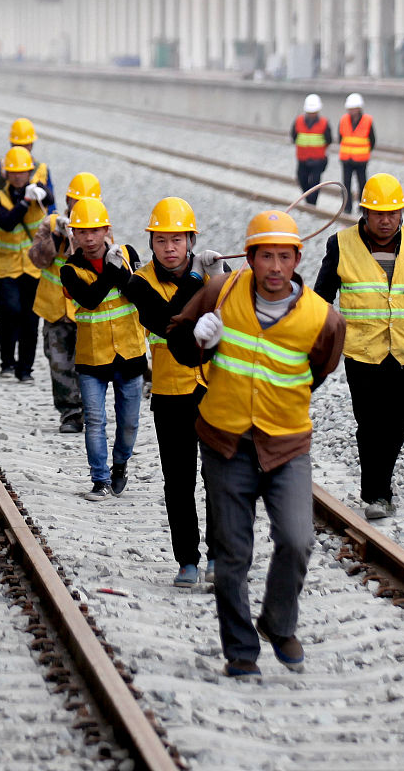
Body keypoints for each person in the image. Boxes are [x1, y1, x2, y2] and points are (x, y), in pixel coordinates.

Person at [166, 210, 344, 678]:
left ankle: (278, 622)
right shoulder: (220, 292)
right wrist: (199, 341)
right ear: (250, 258)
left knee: (297, 539)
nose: (275, 267)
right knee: (231, 555)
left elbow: (319, 371)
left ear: (297, 259)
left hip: (286, 447)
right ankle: (241, 651)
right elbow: (178, 341)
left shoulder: (323, 319)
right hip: (225, 442)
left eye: (284, 257)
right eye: (266, 256)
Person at [313, 173, 404, 522]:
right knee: (370, 422)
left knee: (399, 421)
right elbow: (320, 299)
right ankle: (378, 493)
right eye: (379, 214)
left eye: (392, 213)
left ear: (401, 212)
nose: (386, 220)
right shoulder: (341, 244)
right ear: (364, 213)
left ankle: (379, 487)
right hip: (362, 351)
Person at [123, 197, 226, 588]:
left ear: (191, 240)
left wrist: (223, 277)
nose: (170, 248)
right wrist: (201, 280)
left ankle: (219, 556)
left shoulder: (213, 271)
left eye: (178, 240)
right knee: (178, 479)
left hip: (214, 387)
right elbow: (169, 322)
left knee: (218, 475)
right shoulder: (138, 283)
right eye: (162, 240)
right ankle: (187, 560)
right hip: (170, 393)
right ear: (151, 243)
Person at [60, 198, 147, 502]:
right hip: (92, 357)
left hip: (130, 353)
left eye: (95, 230)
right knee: (95, 421)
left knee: (129, 423)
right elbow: (89, 299)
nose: (89, 237)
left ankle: (120, 465)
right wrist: (111, 274)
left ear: (107, 229)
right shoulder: (69, 269)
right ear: (74, 235)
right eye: (82, 232)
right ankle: (100, 479)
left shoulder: (129, 255)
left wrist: (118, 270)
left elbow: (138, 290)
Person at [29, 172, 101, 431]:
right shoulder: (49, 223)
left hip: (86, 309)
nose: (78, 208)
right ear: (68, 201)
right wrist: (57, 237)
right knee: (59, 362)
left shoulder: (99, 230)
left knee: (87, 365)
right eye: (75, 201)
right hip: (55, 308)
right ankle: (70, 413)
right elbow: (37, 259)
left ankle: (89, 409)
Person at [0, 146, 53, 382]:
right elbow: (6, 223)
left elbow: (51, 199)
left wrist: (38, 191)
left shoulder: (37, 192)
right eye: (14, 172)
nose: (18, 176)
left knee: (30, 319)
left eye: (23, 172)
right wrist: (25, 202)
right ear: (7, 174)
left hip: (33, 268)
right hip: (7, 267)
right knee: (9, 313)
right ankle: (7, 363)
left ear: (29, 172)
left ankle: (25, 369)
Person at [0, 117, 55, 210]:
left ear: (32, 144)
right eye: (19, 145)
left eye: (26, 145)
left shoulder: (42, 169)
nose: (22, 149)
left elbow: (51, 204)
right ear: (11, 144)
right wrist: (3, 179)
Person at [290, 93, 332, 206]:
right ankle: (308, 201)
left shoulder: (324, 123)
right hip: (302, 158)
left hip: (318, 159)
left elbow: (329, 139)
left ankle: (312, 204)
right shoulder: (298, 121)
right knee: (301, 179)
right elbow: (294, 137)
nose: (312, 114)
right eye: (310, 112)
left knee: (315, 183)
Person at [338, 92, 375, 214]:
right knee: (346, 184)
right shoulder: (343, 120)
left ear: (359, 109)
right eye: (350, 109)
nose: (352, 111)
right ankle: (347, 207)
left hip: (361, 160)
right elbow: (340, 138)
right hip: (346, 159)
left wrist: (364, 152)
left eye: (354, 109)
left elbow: (372, 140)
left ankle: (362, 207)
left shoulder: (367, 120)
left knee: (362, 184)